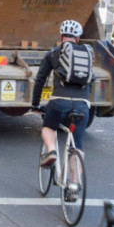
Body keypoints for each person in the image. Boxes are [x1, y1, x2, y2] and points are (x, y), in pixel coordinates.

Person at [31, 19, 92, 197]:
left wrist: (35, 104)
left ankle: (51, 151)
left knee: (49, 127)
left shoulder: (53, 53)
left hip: (59, 102)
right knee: (77, 145)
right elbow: (91, 80)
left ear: (61, 36)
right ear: (78, 38)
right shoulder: (87, 54)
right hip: (82, 104)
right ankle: (74, 185)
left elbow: (40, 80)